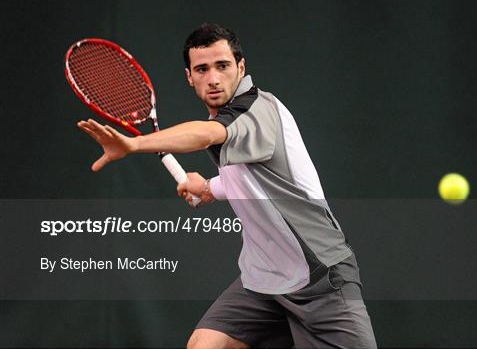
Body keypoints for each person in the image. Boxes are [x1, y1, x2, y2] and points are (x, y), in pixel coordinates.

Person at [78, 23, 377, 349]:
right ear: (189, 77)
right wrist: (209, 187)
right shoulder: (227, 116)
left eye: (222, 66)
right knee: (205, 346)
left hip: (320, 278)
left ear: (241, 67)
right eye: (202, 69)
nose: (214, 78)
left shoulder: (256, 110)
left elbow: (208, 135)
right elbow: (258, 175)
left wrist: (135, 145)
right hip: (263, 279)